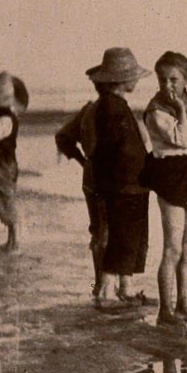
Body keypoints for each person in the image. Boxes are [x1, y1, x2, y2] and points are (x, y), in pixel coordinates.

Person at [143, 52, 187, 326]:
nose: (167, 86)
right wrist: (182, 112)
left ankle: (184, 304)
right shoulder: (156, 110)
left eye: (174, 79)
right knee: (172, 248)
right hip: (170, 176)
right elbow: (182, 138)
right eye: (163, 80)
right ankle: (165, 311)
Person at [86, 48, 154, 308]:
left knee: (129, 237)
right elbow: (117, 149)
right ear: (120, 81)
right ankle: (105, 292)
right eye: (132, 76)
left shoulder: (112, 105)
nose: (136, 81)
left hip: (128, 184)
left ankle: (124, 288)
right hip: (125, 185)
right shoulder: (113, 108)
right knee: (123, 238)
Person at [55, 88, 105, 296]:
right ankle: (105, 286)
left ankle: (100, 284)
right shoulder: (108, 110)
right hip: (106, 179)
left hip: (91, 176)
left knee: (98, 230)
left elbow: (63, 137)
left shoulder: (89, 109)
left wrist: (83, 162)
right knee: (107, 231)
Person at [0, 72, 29, 253]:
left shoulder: (4, 121)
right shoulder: (7, 118)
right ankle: (12, 241)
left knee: (6, 201)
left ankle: (15, 242)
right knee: (4, 200)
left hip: (1, 165)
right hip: (3, 164)